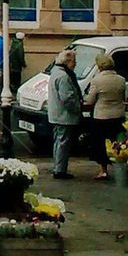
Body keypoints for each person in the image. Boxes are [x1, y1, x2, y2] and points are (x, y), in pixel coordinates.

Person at [82, 53, 126, 180]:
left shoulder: (96, 80)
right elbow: (122, 97)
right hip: (118, 114)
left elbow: (90, 100)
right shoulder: (121, 79)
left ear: (100, 66)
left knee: (100, 144)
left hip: (101, 116)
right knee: (118, 143)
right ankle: (121, 169)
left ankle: (103, 170)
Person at [47, 47, 82, 179]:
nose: (75, 64)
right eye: (74, 61)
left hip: (56, 114)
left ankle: (57, 167)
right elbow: (67, 98)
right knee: (63, 143)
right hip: (64, 116)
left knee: (58, 142)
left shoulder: (55, 72)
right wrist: (78, 109)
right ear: (67, 62)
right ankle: (60, 170)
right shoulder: (64, 77)